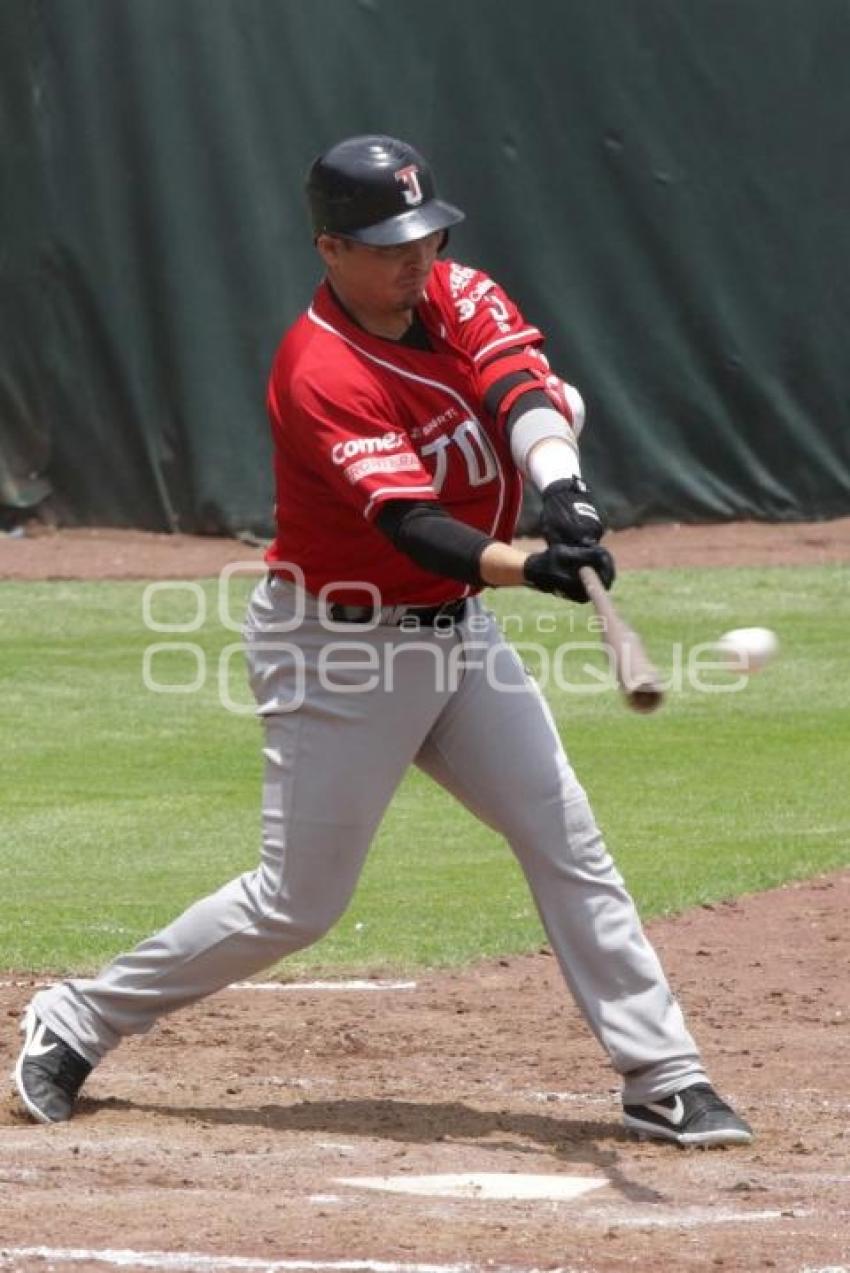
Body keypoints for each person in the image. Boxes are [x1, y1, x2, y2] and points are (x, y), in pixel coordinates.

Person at [14, 134, 752, 1148]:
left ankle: (660, 1073)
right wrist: (527, 563)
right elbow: (410, 527)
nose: (416, 256)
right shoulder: (317, 369)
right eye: (388, 242)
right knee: (297, 902)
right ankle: (80, 1016)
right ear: (328, 247)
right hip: (337, 646)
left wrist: (564, 492)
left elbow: (523, 391)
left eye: (424, 233)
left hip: (455, 640)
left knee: (564, 837)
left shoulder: (454, 292)